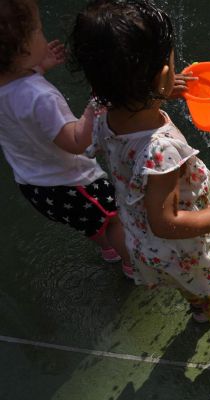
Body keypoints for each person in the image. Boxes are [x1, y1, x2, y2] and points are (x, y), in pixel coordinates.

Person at [69, 0, 210, 354]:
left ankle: (198, 304)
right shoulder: (160, 149)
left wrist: (160, 91)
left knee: (191, 281)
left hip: (145, 239)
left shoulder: (105, 115)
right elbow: (166, 222)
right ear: (163, 74)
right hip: (177, 243)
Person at [0, 0, 132, 275]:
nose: (43, 33)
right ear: (23, 49)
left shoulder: (11, 88)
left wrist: (37, 68)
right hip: (72, 182)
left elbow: (16, 104)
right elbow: (75, 141)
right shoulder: (41, 97)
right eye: (37, 30)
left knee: (90, 221)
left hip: (35, 185)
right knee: (115, 219)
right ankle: (134, 265)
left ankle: (108, 250)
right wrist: (93, 108)